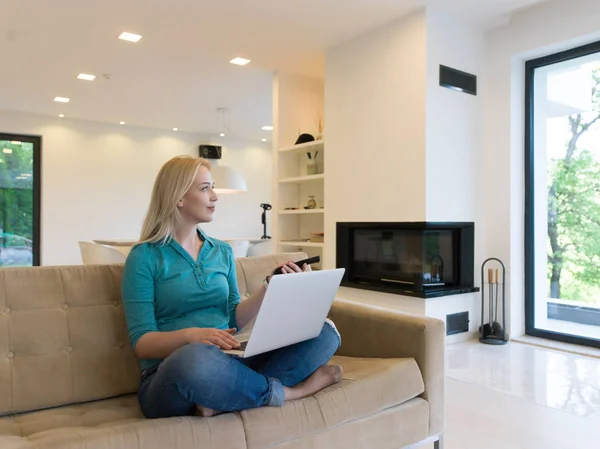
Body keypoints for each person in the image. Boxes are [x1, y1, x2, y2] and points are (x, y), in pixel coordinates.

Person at [122, 155, 342, 419]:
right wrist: (191, 336)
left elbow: (232, 320)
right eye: (205, 189)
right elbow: (142, 343)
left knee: (324, 331)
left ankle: (222, 398)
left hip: (228, 359)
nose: (215, 196)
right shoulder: (143, 257)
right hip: (170, 373)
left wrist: (270, 287)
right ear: (179, 197)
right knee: (193, 358)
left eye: (212, 187)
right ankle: (291, 392)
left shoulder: (222, 252)